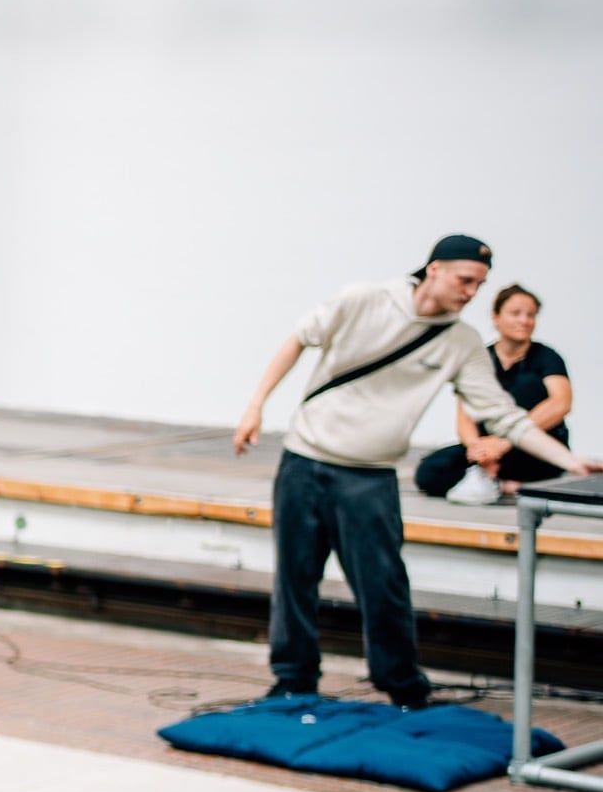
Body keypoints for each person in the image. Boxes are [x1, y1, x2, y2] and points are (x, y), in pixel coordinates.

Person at [233, 236, 592, 705]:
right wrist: (255, 406)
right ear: (435, 269)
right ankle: (293, 680)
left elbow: (504, 416)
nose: (471, 292)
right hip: (305, 460)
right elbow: (299, 338)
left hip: (369, 476)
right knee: (294, 578)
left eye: (480, 286)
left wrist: (571, 462)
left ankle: (402, 685)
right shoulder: (364, 299)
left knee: (383, 585)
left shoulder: (460, 342)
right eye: (465, 280)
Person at [414, 284, 572, 505]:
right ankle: (499, 482)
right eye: (516, 314)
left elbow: (561, 403)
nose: (524, 321)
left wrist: (504, 442)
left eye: (531, 315)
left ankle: (493, 481)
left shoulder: (546, 357)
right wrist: (476, 449)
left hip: (532, 446)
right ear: (496, 317)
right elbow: (465, 415)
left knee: (526, 387)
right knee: (429, 471)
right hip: (488, 446)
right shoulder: (481, 357)